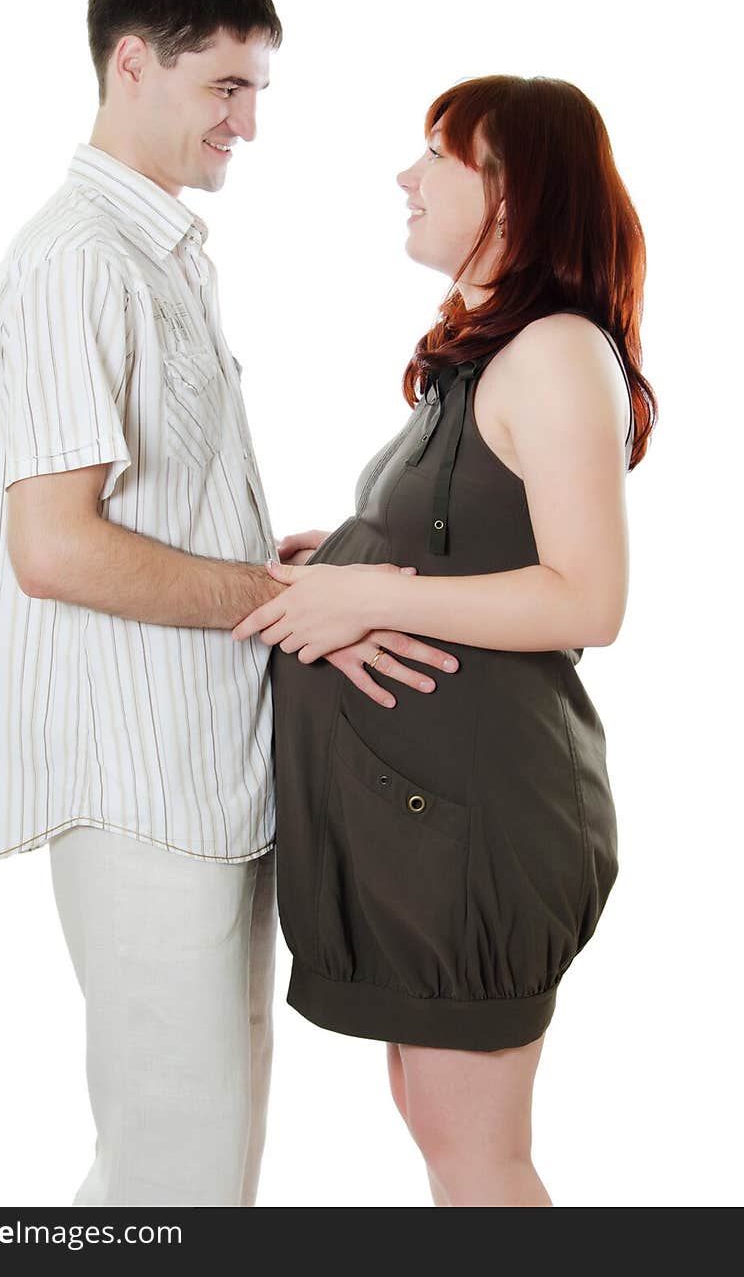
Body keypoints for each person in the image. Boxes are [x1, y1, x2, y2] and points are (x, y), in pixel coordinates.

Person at [0, 0, 455, 1207]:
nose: (247, 123)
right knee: (173, 1161)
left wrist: (282, 559)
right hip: (136, 783)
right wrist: (295, 606)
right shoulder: (81, 260)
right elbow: (54, 547)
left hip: (205, 773)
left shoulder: (160, 255)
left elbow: (145, 511)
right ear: (133, 64)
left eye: (256, 90)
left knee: (203, 1147)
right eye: (224, 87)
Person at [233, 74, 657, 1207]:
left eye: (437, 154)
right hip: (433, 827)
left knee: (477, 1157)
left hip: (483, 823)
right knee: (442, 1131)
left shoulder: (557, 350)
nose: (405, 179)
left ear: (511, 190)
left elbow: (586, 600)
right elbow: (478, 545)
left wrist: (373, 593)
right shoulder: (484, 359)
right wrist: (358, 556)